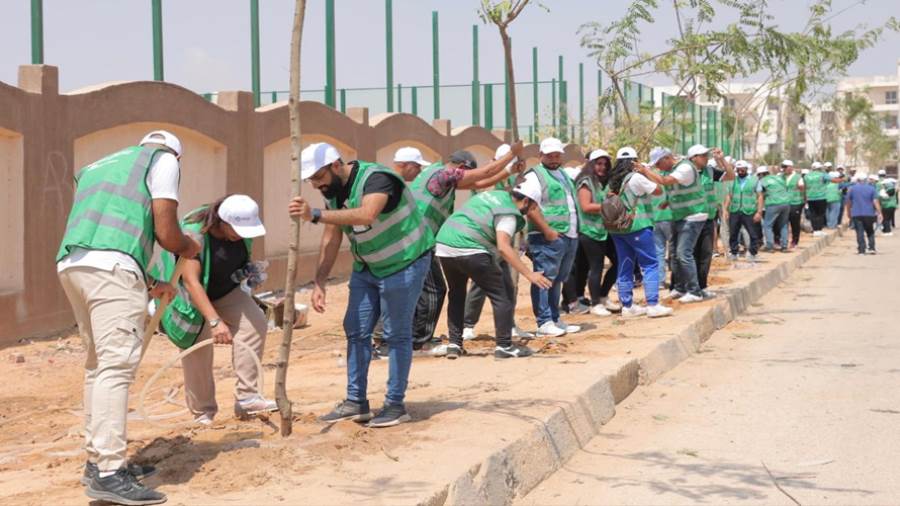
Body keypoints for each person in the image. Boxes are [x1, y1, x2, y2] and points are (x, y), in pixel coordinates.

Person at [57, 130, 202, 505]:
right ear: (177, 155)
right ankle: (109, 471)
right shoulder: (163, 160)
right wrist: (191, 246)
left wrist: (151, 280)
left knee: (98, 366)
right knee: (116, 367)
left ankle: (97, 460)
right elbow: (168, 233)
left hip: (75, 264)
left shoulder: (101, 166)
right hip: (111, 269)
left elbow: (107, 232)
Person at [289, 142, 433, 428]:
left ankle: (395, 404)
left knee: (396, 334)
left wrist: (314, 215)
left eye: (318, 177)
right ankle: (356, 401)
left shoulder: (377, 179)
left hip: (405, 261)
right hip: (367, 266)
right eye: (311, 180)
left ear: (335, 165)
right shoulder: (333, 192)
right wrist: (319, 281)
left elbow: (367, 214)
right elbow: (332, 237)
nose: (316, 185)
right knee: (355, 329)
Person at [152, 195, 275, 426]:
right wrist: (215, 321)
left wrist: (248, 272)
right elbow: (191, 282)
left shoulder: (241, 235)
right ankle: (203, 412)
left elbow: (236, 259)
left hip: (224, 291)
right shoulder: (195, 235)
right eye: (237, 230)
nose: (240, 235)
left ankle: (247, 398)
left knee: (255, 323)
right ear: (221, 221)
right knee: (197, 350)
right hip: (190, 297)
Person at [387, 144, 521, 351]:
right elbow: (484, 173)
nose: (467, 177)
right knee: (433, 290)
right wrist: (511, 154)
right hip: (417, 240)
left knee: (422, 289)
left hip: (418, 239)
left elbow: (482, 180)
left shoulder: (441, 178)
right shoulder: (443, 175)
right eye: (466, 172)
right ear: (460, 166)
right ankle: (417, 340)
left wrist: (509, 171)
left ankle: (410, 337)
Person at [435, 178, 553, 359]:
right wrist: (530, 274)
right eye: (533, 207)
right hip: (470, 248)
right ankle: (504, 346)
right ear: (527, 201)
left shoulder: (493, 196)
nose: (531, 213)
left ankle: (454, 344)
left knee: (457, 294)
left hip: (444, 246)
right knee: (502, 295)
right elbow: (504, 247)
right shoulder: (509, 214)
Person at [462, 144, 535, 340]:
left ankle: (508, 324)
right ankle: (467, 324)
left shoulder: (516, 177)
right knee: (482, 281)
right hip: (487, 235)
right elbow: (489, 194)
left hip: (509, 234)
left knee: (509, 283)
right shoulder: (487, 177)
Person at [646, 145, 729, 304]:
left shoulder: (684, 168)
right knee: (676, 255)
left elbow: (665, 181)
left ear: (667, 158)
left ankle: (695, 291)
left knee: (685, 253)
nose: (657, 167)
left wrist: (645, 172)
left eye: (658, 163)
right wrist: (668, 201)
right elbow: (680, 190)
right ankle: (680, 288)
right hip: (682, 216)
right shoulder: (675, 169)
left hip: (694, 216)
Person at [522, 137, 583, 337]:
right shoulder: (535, 176)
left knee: (557, 280)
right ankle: (544, 321)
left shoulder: (564, 174)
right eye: (550, 155)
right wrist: (547, 230)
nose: (554, 158)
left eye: (557, 154)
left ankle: (555, 318)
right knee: (544, 279)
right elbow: (529, 206)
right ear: (541, 155)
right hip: (547, 237)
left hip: (569, 234)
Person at [605, 147, 673, 318]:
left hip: (617, 229)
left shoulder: (611, 179)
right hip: (638, 226)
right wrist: (645, 171)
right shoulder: (635, 178)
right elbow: (658, 191)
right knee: (650, 264)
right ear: (634, 161)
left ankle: (627, 306)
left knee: (625, 264)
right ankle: (652, 304)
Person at [573, 149, 621, 316]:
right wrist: (608, 207)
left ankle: (602, 296)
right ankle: (595, 303)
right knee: (596, 266)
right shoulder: (586, 182)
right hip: (590, 231)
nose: (602, 167)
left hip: (605, 230)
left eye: (605, 164)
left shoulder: (603, 182)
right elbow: (586, 206)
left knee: (618, 261)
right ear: (591, 164)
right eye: (599, 164)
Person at [648, 147, 676, 292]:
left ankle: (660, 281)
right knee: (674, 251)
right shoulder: (669, 177)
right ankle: (676, 282)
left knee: (658, 251)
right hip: (670, 218)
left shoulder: (649, 178)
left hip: (654, 219)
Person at [723, 160, 762, 260]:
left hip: (749, 211)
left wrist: (759, 212)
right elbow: (729, 196)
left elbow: (760, 196)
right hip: (735, 210)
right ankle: (734, 252)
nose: (740, 172)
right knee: (733, 233)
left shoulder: (755, 180)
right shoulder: (733, 180)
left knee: (753, 233)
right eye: (738, 170)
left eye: (742, 170)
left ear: (746, 169)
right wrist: (726, 210)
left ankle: (752, 253)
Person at [756, 165, 791, 252]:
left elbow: (760, 194)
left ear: (760, 175)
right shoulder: (778, 178)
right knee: (783, 225)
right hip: (786, 203)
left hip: (773, 204)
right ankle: (784, 246)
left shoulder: (762, 181)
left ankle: (770, 246)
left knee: (767, 225)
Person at [845, 173, 882, 254]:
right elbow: (875, 201)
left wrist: (848, 212)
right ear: (866, 180)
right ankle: (872, 248)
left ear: (857, 180)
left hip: (856, 213)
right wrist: (879, 213)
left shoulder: (852, 189)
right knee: (870, 230)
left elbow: (848, 202)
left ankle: (861, 250)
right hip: (869, 213)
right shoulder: (872, 188)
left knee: (859, 231)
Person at [781, 160, 806, 248]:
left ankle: (795, 240)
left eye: (785, 167)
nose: (784, 169)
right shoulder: (780, 176)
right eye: (783, 167)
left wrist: (804, 201)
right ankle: (783, 240)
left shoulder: (798, 177)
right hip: (783, 202)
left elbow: (802, 189)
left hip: (796, 202)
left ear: (791, 167)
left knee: (794, 222)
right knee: (783, 222)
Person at [805, 162, 834, 235]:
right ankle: (819, 229)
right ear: (819, 168)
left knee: (813, 214)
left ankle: (814, 230)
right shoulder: (822, 175)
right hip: (821, 197)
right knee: (820, 214)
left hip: (810, 198)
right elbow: (832, 180)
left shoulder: (807, 176)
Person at [876, 170, 897, 234]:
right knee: (887, 218)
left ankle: (887, 230)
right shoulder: (891, 187)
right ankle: (887, 228)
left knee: (885, 218)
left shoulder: (879, 184)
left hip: (885, 205)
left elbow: (882, 196)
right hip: (891, 205)